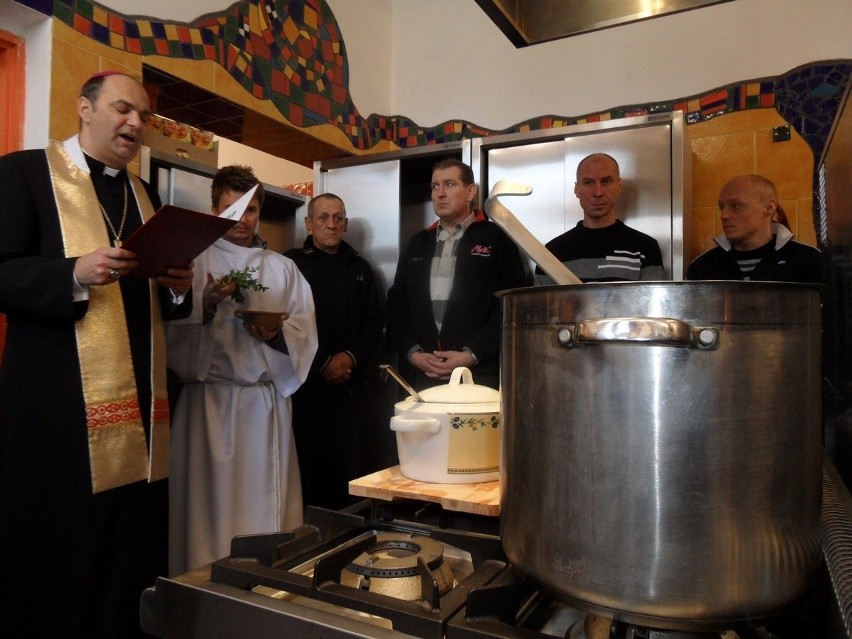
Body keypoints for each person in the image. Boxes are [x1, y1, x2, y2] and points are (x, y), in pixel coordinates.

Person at [0, 71, 194, 637]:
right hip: (54, 404)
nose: (135, 123)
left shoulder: (145, 194)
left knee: (128, 536)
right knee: (62, 539)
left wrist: (177, 285)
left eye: (144, 116)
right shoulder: (24, 173)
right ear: (84, 108)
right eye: (122, 109)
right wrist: (73, 274)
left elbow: (159, 301)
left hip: (138, 406)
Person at [166, 165, 318, 576]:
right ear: (215, 208)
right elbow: (166, 327)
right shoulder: (193, 260)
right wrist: (208, 303)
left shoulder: (283, 269)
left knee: (264, 511)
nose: (242, 219)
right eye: (231, 208)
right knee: (208, 509)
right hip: (209, 404)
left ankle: (268, 593)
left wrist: (273, 336)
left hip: (264, 405)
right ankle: (204, 591)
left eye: (250, 209)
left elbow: (305, 332)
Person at [386, 158, 528, 391]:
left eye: (450, 184)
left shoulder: (497, 239)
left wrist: (472, 354)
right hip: (425, 374)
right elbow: (397, 305)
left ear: (470, 191)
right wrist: (414, 354)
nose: (440, 193)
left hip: (481, 375)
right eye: (435, 186)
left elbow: (511, 306)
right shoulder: (417, 244)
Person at [284, 193, 385, 510]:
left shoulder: (360, 268)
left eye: (338, 217)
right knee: (306, 475)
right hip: (304, 390)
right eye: (324, 217)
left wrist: (349, 358)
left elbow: (374, 323)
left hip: (350, 390)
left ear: (346, 222)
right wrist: (323, 362)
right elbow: (285, 323)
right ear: (308, 223)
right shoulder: (290, 264)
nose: (331, 224)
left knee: (347, 473)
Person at [536, 153, 665, 284]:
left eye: (606, 181)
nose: (598, 192)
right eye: (588, 183)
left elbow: (652, 303)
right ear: (577, 189)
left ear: (619, 186)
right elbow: (541, 304)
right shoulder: (552, 252)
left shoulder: (645, 247)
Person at [686, 174, 822, 282]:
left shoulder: (807, 261)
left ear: (769, 208)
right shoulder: (703, 267)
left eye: (735, 206)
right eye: (722, 207)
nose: (724, 215)